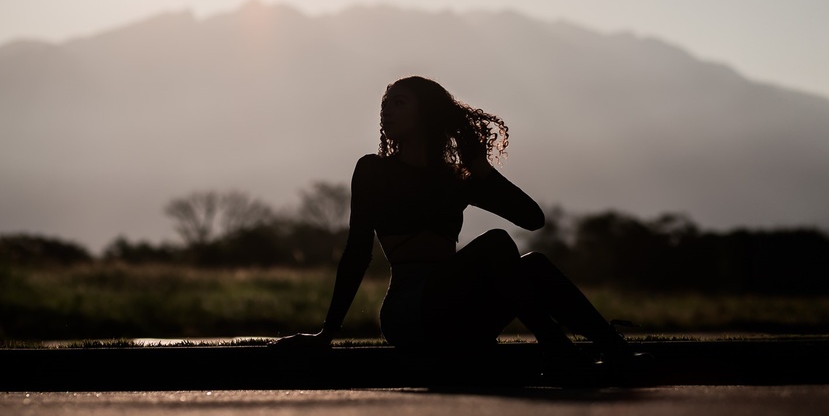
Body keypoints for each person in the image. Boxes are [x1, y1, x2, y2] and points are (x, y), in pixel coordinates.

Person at [271, 75, 647, 381]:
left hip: (462, 311)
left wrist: (482, 171)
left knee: (533, 264)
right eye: (385, 104)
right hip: (411, 312)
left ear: (426, 112)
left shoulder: (454, 178)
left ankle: (613, 350)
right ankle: (557, 350)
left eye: (399, 102)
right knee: (498, 243)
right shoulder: (374, 171)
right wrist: (328, 333)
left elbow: (533, 219)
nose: (387, 110)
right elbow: (357, 251)